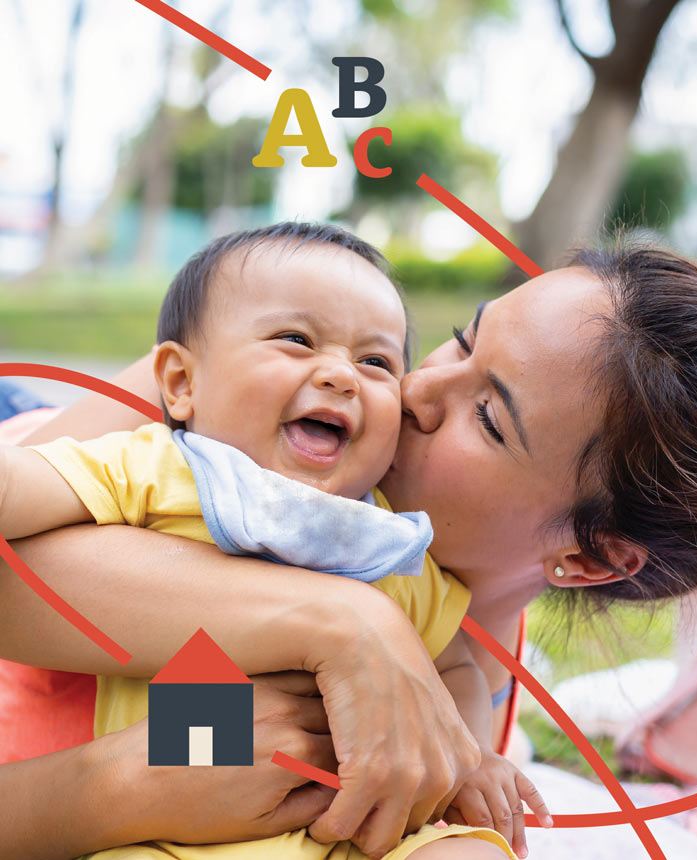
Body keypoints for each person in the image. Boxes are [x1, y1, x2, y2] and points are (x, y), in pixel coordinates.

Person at [1, 244, 697, 860]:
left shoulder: (454, 670)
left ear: (592, 561)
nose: (411, 388)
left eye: (488, 417)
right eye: (459, 340)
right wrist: (339, 623)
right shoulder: (222, 404)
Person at [0, 222, 550, 860]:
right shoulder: (155, 469)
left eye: (376, 362)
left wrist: (469, 753)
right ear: (179, 384)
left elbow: (456, 668)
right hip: (177, 799)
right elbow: (19, 487)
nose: (342, 375)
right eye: (296, 339)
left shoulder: (385, 539)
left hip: (354, 822)